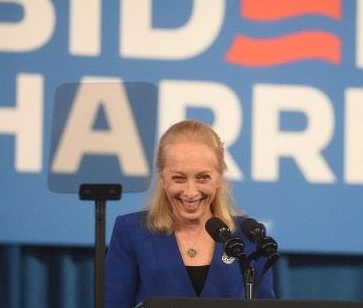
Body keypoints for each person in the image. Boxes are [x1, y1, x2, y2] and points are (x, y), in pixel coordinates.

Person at [105, 119, 276, 307]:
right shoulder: (131, 231)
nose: (191, 192)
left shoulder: (247, 236)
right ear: (162, 177)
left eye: (203, 177)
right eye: (179, 178)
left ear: (218, 177)